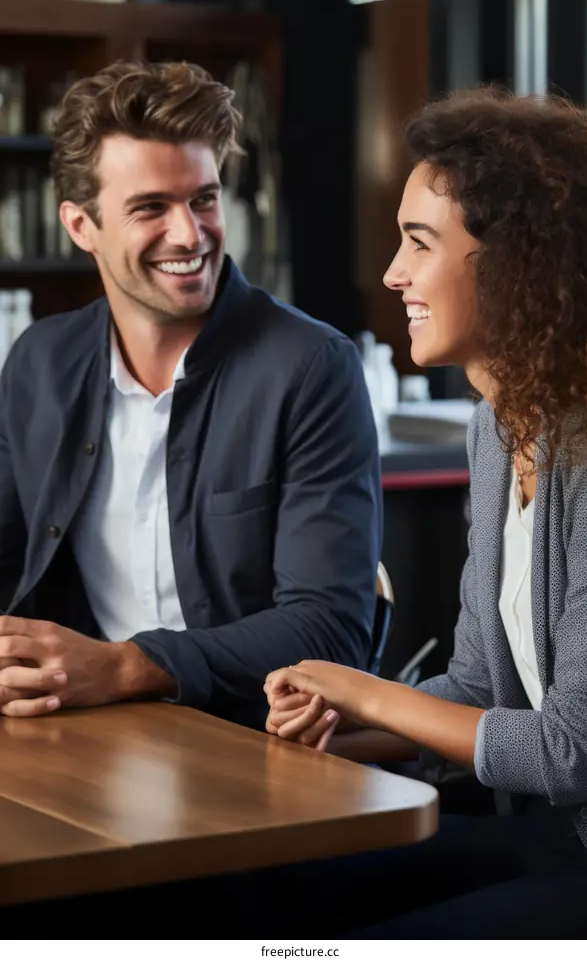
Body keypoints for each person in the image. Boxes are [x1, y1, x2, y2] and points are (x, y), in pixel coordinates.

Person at [263, 89, 587, 938]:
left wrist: (363, 691)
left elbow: (572, 750)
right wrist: (339, 725)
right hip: (555, 838)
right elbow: (481, 690)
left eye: (420, 242)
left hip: (586, 850)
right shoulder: (498, 425)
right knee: (269, 887)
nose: (392, 273)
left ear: (519, 261)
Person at [0, 60, 381, 729]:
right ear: (80, 225)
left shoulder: (311, 367)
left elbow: (330, 629)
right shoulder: (40, 361)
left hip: (246, 743)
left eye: (203, 198)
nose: (190, 233)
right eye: (151, 207)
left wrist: (124, 665)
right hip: (77, 732)